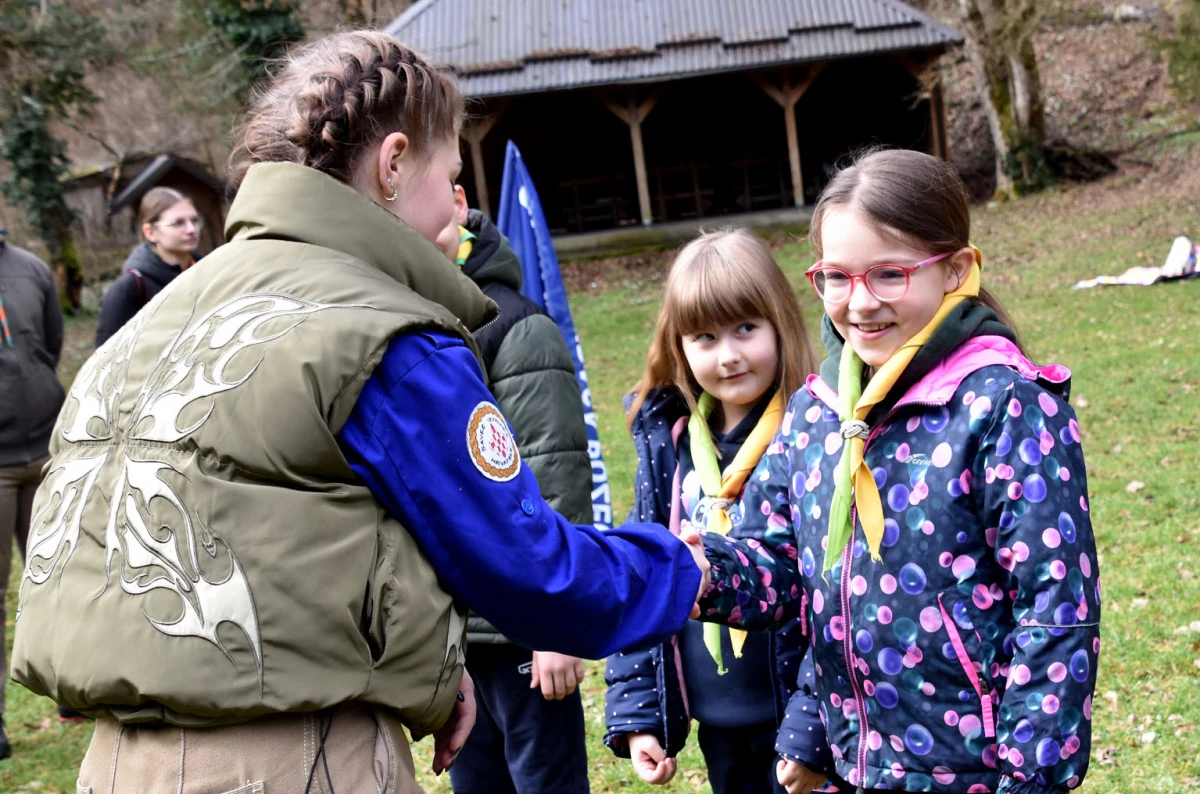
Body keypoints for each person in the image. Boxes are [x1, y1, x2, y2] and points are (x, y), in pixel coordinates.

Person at [10, 31, 709, 793]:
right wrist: (681, 568)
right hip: (287, 760)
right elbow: (530, 570)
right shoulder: (380, 335)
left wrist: (424, 674)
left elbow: (285, 535)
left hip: (116, 762)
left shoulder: (158, 321)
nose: (455, 202)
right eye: (450, 174)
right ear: (395, 161)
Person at [694, 149, 1101, 794]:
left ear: (956, 270)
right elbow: (784, 572)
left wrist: (1031, 778)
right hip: (852, 765)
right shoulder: (817, 410)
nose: (859, 303)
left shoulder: (1003, 407)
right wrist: (703, 572)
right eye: (836, 275)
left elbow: (1056, 612)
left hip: (977, 772)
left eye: (888, 274)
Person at [603, 229, 829, 794]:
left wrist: (813, 733)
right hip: (718, 723)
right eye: (704, 336)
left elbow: (837, 596)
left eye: (745, 328)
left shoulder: (814, 433)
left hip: (803, 724)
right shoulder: (670, 443)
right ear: (679, 345)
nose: (728, 355)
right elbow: (644, 574)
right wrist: (641, 718)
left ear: (780, 321)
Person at [434, 186, 594, 794]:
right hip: (452, 638)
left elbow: (557, 478)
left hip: (522, 631)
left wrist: (555, 626)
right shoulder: (404, 325)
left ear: (457, 201)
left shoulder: (518, 327)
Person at [0, 230, 65, 761]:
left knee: (60, 577)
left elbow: (51, 341)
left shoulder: (30, 267)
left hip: (45, 447)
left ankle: (72, 688)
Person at [94, 186, 201, 347]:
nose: (191, 230)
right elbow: (104, 357)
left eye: (194, 221)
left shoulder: (207, 271)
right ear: (150, 232)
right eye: (178, 223)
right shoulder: (130, 287)